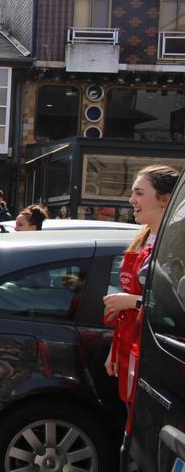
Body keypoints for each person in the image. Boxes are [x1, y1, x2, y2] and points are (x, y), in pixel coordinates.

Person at [102, 165, 179, 405]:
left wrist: (131, 302)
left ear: (165, 199)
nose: (131, 199)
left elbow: (174, 306)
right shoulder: (144, 239)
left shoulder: (176, 246)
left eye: (139, 193)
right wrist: (114, 350)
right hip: (130, 345)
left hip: (155, 352)